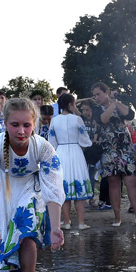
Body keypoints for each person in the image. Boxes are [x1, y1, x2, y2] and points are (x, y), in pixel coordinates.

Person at [0, 98, 65, 272]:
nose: (21, 131)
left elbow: (53, 185)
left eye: (26, 125)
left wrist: (55, 226)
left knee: (27, 232)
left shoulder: (43, 147)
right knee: (2, 245)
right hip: (2, 193)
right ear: (5, 123)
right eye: (15, 125)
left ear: (34, 124)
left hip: (30, 190)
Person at [91, 82, 136, 227]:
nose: (96, 97)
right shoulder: (96, 109)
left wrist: (116, 102)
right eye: (94, 95)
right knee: (113, 182)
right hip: (108, 148)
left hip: (125, 148)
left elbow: (130, 114)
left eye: (98, 94)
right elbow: (103, 119)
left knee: (131, 181)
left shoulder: (118, 103)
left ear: (106, 92)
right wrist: (112, 104)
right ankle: (117, 217)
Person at [48, 93, 92, 230]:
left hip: (61, 152)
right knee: (79, 190)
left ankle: (66, 222)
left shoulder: (54, 121)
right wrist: (80, 148)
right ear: (70, 104)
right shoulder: (77, 119)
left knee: (64, 188)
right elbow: (85, 139)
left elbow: (51, 142)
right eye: (74, 103)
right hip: (76, 152)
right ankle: (80, 222)